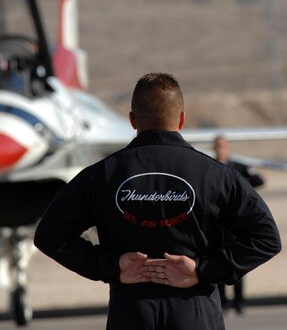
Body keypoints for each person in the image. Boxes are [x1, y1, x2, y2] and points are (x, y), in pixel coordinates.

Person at [34, 73, 281, 330]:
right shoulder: (217, 176)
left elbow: (50, 234)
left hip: (130, 316)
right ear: (182, 119)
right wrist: (203, 270)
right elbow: (266, 238)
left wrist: (111, 266)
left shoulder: (101, 176)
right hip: (196, 315)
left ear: (132, 119)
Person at [212, 135, 265, 315]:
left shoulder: (238, 167)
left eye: (223, 146)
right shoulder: (210, 167)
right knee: (218, 264)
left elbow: (260, 179)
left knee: (237, 265)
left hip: (235, 225)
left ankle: (239, 303)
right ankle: (223, 304)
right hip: (218, 226)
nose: (220, 149)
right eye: (217, 146)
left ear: (228, 147)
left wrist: (242, 191)